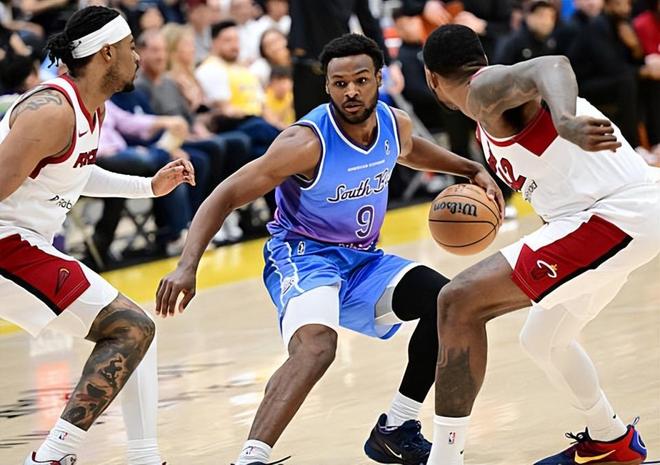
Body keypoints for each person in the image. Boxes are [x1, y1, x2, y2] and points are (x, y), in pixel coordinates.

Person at [155, 33, 503, 465]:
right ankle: (251, 458)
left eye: (361, 80)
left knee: (448, 302)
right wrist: (187, 266)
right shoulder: (305, 143)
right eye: (340, 83)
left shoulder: (395, 124)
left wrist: (470, 168)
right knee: (317, 347)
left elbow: (410, 151)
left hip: (363, 261)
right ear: (327, 86)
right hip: (303, 256)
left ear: (379, 79)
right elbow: (224, 195)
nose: (351, 91)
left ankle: (396, 428)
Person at [422, 24, 660, 465]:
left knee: (458, 301)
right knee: (544, 339)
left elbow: (552, 64)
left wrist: (565, 121)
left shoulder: (482, 90)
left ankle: (444, 459)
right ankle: (611, 439)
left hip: (614, 216)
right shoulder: (487, 111)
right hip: (613, 216)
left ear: (431, 78)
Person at [0, 7, 195, 465]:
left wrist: (147, 187)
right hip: (7, 243)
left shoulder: (92, 108)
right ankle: (52, 456)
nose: (137, 57)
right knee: (131, 327)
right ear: (107, 53)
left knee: (137, 332)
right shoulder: (51, 111)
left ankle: (143, 457)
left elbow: (76, 171)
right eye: (131, 47)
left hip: (26, 243)